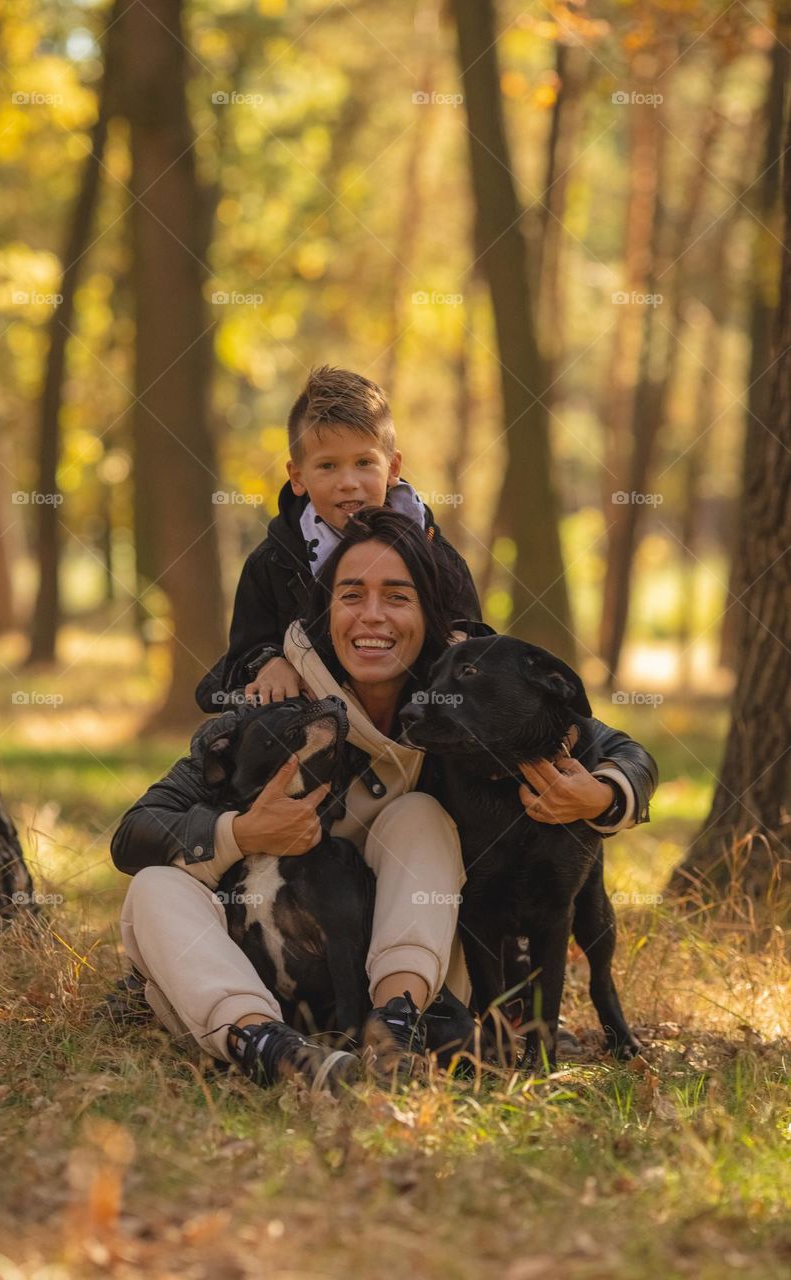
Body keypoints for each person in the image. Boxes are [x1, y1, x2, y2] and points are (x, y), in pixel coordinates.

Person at [111, 509, 658, 1094]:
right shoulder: (276, 704)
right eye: (351, 594)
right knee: (153, 886)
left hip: (394, 973)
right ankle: (267, 1045)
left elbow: (617, 747)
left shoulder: (464, 702)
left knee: (418, 815)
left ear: (427, 614)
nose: (371, 615)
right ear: (327, 610)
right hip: (250, 966)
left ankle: (395, 1031)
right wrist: (242, 834)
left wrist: (602, 793)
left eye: (397, 596)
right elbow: (136, 832)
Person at [195, 364, 481, 713]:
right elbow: (244, 650)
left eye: (363, 462)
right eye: (328, 466)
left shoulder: (436, 556)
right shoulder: (272, 563)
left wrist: (455, 652)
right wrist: (269, 663)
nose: (348, 482)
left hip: (415, 733)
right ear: (297, 477)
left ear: (391, 468)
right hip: (315, 730)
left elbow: (474, 643)